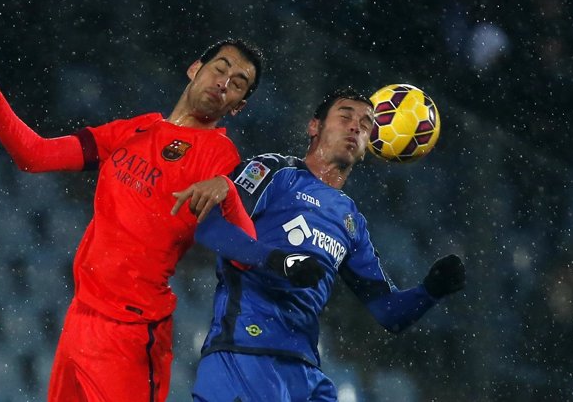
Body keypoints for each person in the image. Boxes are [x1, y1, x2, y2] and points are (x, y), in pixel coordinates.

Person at [0, 39, 323, 402]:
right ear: (194, 69)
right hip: (80, 319)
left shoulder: (220, 157)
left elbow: (243, 251)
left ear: (238, 105)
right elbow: (35, 155)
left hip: (132, 334)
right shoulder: (133, 130)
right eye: (219, 68)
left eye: (237, 84)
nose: (223, 83)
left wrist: (229, 191)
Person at [183, 87, 467, 401]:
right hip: (245, 352)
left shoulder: (351, 221)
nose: (356, 126)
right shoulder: (274, 172)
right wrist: (278, 261)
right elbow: (210, 227)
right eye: (345, 116)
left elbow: (389, 312)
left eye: (366, 123)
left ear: (366, 147)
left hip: (304, 370)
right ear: (314, 126)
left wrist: (431, 290)